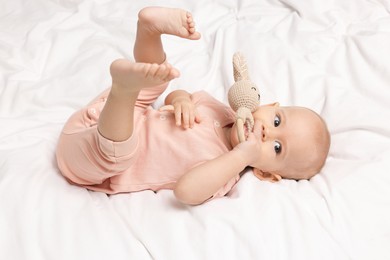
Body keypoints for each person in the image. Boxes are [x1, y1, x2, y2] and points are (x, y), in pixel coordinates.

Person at [56, 6, 331, 205]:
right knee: (157, 82)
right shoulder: (218, 108)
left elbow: (186, 192)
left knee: (123, 152)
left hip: (92, 161)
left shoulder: (224, 173)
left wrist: (240, 157)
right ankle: (149, 30)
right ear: (269, 105)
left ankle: (123, 90)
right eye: (276, 121)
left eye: (276, 148)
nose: (265, 133)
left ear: (265, 173)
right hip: (99, 119)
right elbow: (174, 97)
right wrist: (182, 101)